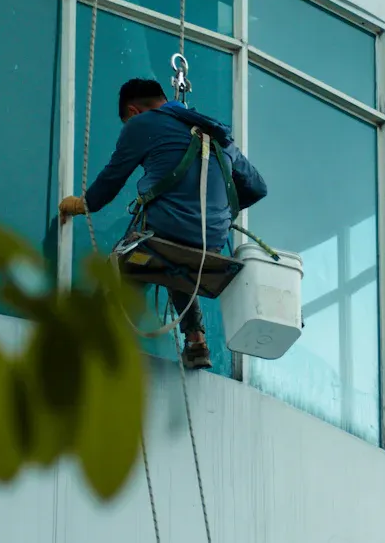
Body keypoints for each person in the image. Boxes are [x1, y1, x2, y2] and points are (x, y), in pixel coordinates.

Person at [58, 78, 267, 369]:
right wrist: (214, 211)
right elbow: (257, 187)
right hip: (211, 240)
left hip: (166, 229)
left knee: (125, 263)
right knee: (176, 265)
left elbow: (111, 180)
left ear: (133, 111)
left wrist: (82, 205)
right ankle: (196, 341)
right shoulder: (217, 134)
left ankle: (96, 339)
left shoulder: (142, 124)